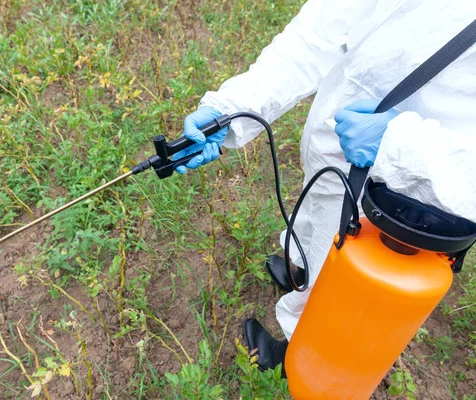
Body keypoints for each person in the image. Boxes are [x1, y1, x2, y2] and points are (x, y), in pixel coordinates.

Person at [173, 0, 476, 373]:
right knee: (315, 214)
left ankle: (297, 350)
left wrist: (399, 145)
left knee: (338, 267)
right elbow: (320, 30)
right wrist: (232, 108)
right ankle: (299, 264)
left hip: (398, 181)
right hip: (336, 134)